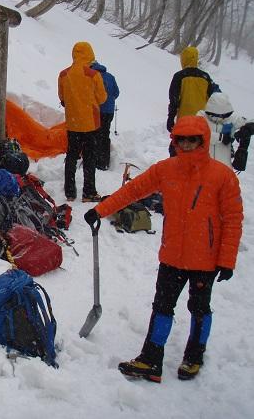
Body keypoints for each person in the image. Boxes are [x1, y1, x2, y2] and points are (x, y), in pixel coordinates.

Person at [84, 115, 243, 383]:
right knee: (162, 306)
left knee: (199, 308)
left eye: (192, 139)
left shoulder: (222, 176)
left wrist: (227, 260)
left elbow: (233, 220)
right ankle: (151, 360)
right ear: (175, 141)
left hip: (205, 260)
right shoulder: (166, 169)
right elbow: (133, 190)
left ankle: (194, 356)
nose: (187, 144)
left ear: (202, 141)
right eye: (181, 139)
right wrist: (100, 210)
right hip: (172, 256)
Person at [58, 41, 107, 202]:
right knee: (89, 158)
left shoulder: (64, 75)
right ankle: (89, 192)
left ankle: (70, 192)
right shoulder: (93, 75)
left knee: (71, 156)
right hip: (91, 124)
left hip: (73, 124)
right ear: (90, 54)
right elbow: (102, 98)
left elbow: (62, 98)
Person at [167, 46, 215, 156]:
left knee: (178, 149)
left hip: (184, 120)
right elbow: (213, 99)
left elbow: (174, 99)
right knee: (197, 150)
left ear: (183, 59)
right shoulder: (206, 77)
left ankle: (176, 171)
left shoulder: (179, 76)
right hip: (201, 122)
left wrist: (170, 118)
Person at [196, 92, 254, 169]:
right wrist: (220, 137)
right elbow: (198, 133)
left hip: (224, 168)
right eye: (218, 115)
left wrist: (248, 129)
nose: (221, 117)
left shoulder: (232, 119)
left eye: (224, 115)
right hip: (201, 167)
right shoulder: (201, 116)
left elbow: (250, 122)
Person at [90, 60, 120, 170]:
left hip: (98, 111)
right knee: (105, 135)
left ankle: (96, 161)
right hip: (109, 111)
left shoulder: (93, 76)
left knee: (96, 135)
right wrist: (109, 101)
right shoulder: (110, 76)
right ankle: (105, 161)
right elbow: (116, 92)